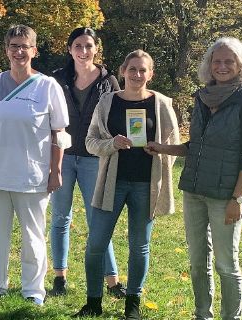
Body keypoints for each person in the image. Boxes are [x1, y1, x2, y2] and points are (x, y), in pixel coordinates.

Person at [145, 37, 242, 320]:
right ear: (209, 65)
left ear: (240, 65)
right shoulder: (202, 97)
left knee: (226, 264)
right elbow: (195, 145)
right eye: (217, 61)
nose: (222, 66)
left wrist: (238, 198)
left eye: (228, 61)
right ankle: (202, 315)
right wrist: (163, 148)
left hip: (225, 197)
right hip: (194, 191)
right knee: (198, 263)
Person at [74, 49, 179, 319]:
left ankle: (132, 305)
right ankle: (93, 303)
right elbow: (90, 142)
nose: (137, 74)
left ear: (151, 74)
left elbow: (175, 148)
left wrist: (160, 150)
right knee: (96, 244)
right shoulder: (108, 102)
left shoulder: (163, 103)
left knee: (139, 246)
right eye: (132, 69)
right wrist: (112, 144)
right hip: (112, 183)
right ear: (123, 71)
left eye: (143, 70)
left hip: (146, 184)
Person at [49, 27, 126, 298]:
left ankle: (113, 281)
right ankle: (60, 277)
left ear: (96, 49)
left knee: (99, 221)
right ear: (70, 49)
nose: (83, 51)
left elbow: (121, 113)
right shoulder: (56, 79)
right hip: (62, 157)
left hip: (96, 158)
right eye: (77, 46)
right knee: (60, 218)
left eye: (88, 46)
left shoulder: (110, 81)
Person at [0, 25, 69, 306]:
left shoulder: (47, 86)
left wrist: (56, 171)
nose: (19, 51)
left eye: (24, 46)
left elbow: (59, 133)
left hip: (33, 176)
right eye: (13, 46)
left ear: (34, 51)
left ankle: (33, 290)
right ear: (6, 50)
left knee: (32, 237)